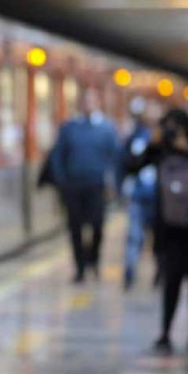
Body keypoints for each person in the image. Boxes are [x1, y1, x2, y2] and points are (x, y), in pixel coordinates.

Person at [126, 108, 188, 352]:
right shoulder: (161, 146)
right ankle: (165, 332)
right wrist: (152, 144)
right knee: (172, 280)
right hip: (172, 227)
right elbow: (131, 167)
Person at [50, 87, 120, 283]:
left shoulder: (107, 128)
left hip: (97, 186)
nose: (88, 104)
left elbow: (115, 157)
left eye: (91, 100)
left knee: (97, 225)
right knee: (75, 228)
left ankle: (94, 260)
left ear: (97, 103)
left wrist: (113, 183)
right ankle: (80, 267)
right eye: (85, 101)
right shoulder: (69, 127)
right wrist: (62, 181)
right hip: (74, 186)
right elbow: (58, 155)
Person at [119, 98, 160, 290]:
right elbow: (126, 163)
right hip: (138, 195)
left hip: (161, 197)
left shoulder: (166, 136)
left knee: (159, 238)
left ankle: (161, 272)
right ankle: (130, 270)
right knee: (134, 235)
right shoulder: (135, 136)